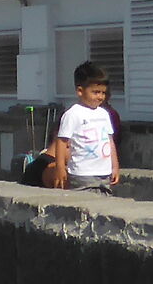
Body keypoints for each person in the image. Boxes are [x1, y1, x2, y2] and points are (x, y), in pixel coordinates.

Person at [48, 62, 120, 194]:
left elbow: (109, 141)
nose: (100, 97)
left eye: (103, 93)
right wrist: (59, 168)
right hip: (82, 175)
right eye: (95, 92)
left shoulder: (104, 114)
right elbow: (62, 141)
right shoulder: (73, 114)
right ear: (80, 91)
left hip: (104, 174)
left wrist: (114, 166)